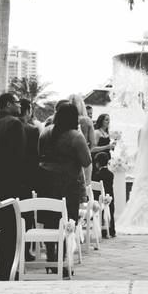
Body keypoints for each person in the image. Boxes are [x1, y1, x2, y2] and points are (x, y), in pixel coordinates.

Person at [38, 101, 92, 275]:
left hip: (46, 182)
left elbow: (39, 154)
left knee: (49, 220)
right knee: (67, 221)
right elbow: (86, 161)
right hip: (68, 184)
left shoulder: (45, 133)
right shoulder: (76, 136)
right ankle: (62, 261)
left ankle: (52, 258)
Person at [0, 92, 27, 280]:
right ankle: (10, 269)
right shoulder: (14, 123)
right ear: (9, 104)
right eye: (18, 103)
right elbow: (20, 156)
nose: (20, 107)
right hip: (11, 181)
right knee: (11, 228)